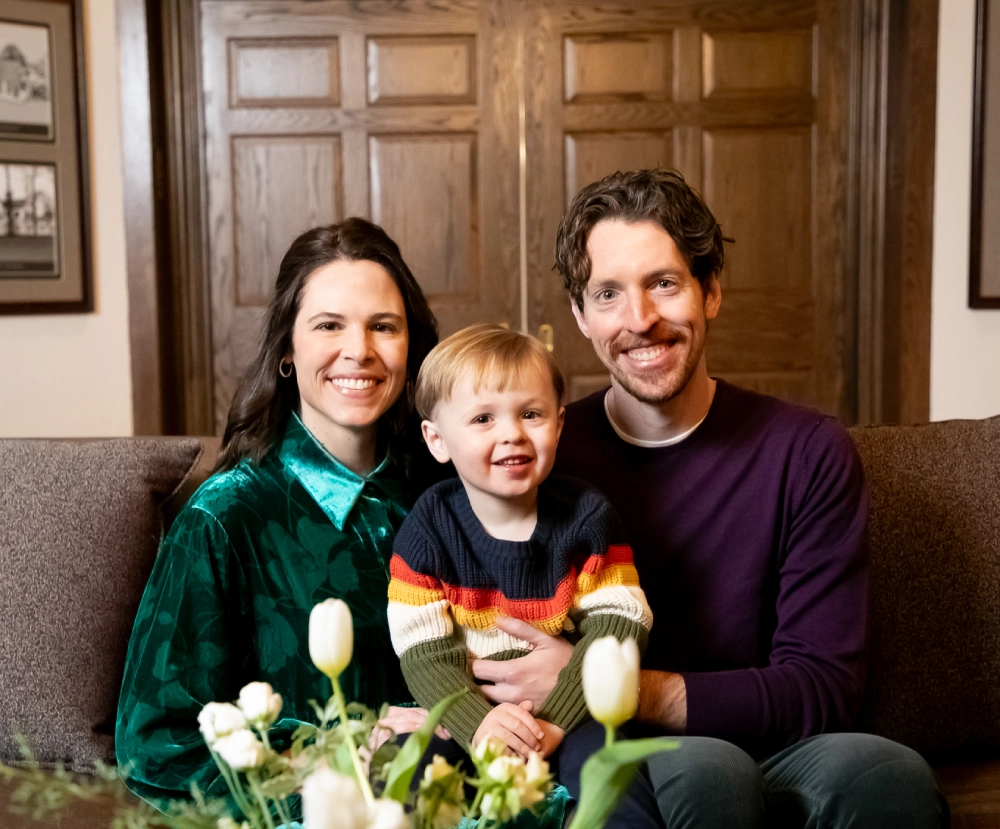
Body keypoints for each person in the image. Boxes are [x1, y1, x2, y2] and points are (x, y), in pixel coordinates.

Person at [471, 169, 951, 827]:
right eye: (608, 293)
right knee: (695, 773)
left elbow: (822, 690)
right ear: (581, 316)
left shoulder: (807, 452)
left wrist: (613, 685)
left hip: (778, 753)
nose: (640, 320)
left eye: (663, 284)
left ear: (712, 290)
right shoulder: (538, 457)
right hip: (606, 755)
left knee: (887, 774)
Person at [115, 218, 442, 810]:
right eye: (329, 325)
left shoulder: (449, 492)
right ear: (288, 349)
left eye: (383, 327)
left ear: (411, 345)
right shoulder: (223, 517)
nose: (359, 350)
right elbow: (155, 746)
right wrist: (339, 754)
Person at [385, 324, 656, 824]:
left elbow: (618, 626)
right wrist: (478, 724)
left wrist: (555, 721)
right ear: (437, 439)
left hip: (572, 711)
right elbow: (424, 652)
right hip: (470, 707)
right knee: (408, 766)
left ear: (558, 424)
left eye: (530, 414)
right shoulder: (429, 527)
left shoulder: (587, 516)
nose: (512, 432)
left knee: (612, 773)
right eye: (483, 418)